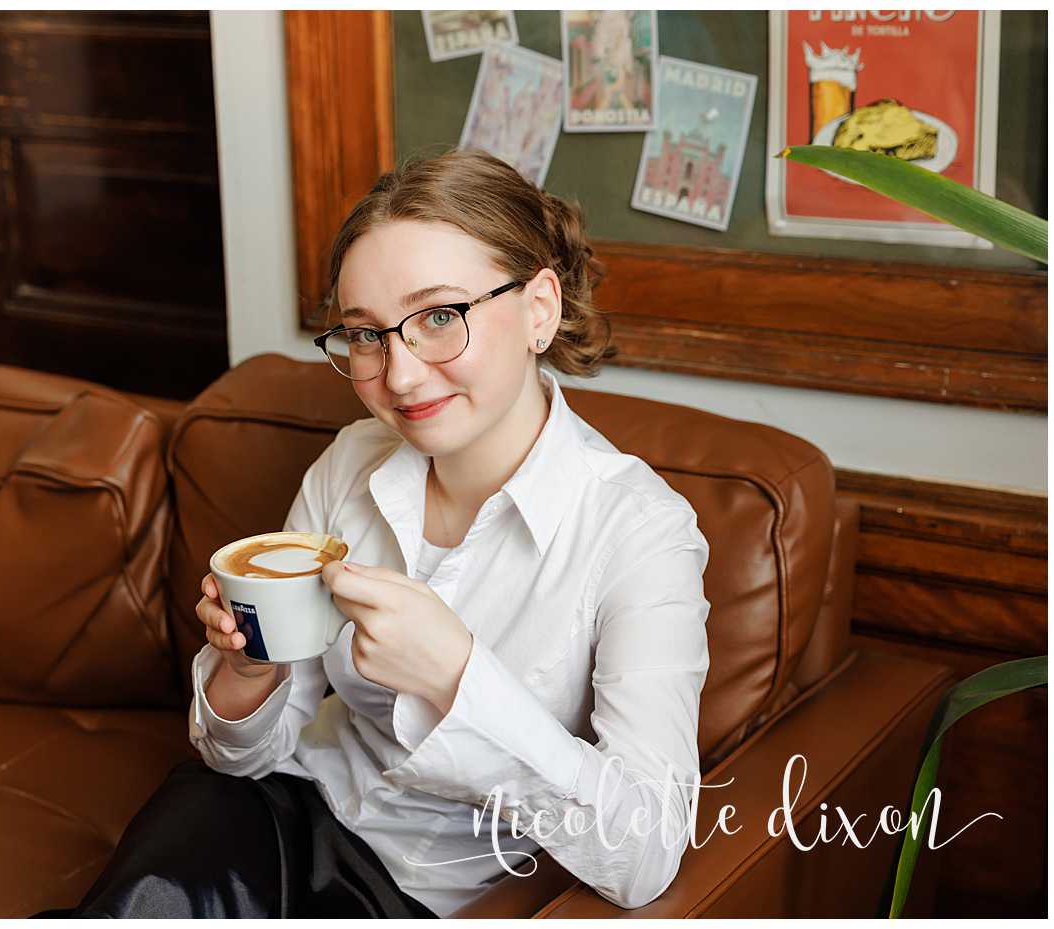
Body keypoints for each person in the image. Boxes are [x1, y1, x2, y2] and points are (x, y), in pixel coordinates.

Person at [52, 149, 712, 917]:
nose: (398, 376)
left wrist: (454, 674)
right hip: (275, 810)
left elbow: (646, 852)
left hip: (427, 893)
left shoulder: (641, 533)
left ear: (539, 309)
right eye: (366, 335)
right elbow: (239, 756)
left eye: (439, 317)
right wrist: (248, 669)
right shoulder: (349, 464)